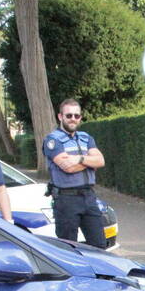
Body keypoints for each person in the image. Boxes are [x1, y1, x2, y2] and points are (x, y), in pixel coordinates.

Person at [41, 99, 107, 248]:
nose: (73, 119)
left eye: (76, 116)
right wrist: (90, 163)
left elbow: (101, 161)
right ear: (60, 117)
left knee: (99, 245)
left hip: (89, 197)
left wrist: (79, 159)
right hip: (66, 199)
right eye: (69, 115)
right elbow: (68, 168)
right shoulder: (52, 140)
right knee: (68, 248)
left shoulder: (86, 138)